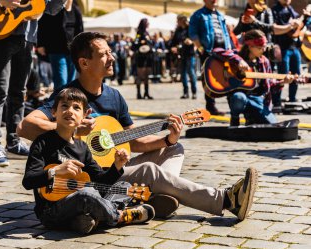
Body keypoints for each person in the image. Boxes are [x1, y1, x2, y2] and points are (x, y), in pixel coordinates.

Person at [17, 32, 258, 221]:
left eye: (112, 51)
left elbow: (133, 142)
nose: (113, 58)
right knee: (150, 171)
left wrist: (167, 139)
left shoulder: (115, 97)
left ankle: (156, 196)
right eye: (104, 54)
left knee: (176, 148)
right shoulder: (69, 98)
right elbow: (25, 127)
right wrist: (71, 130)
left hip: (113, 166)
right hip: (89, 177)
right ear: (84, 62)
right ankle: (225, 200)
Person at [22, 87, 155, 234]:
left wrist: (117, 165)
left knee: (123, 185)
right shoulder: (42, 142)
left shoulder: (82, 147)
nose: (70, 111)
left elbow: (101, 182)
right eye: (64, 106)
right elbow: (28, 181)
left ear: (85, 115)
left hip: (81, 204)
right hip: (50, 212)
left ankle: (88, 220)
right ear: (54, 112)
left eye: (76, 108)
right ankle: (120, 216)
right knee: (85, 194)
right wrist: (54, 171)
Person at [0, 0, 66, 167]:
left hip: (27, 37)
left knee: (19, 92)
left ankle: (13, 141)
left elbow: (50, 8)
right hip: (0, 31)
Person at [212, 30, 295, 126]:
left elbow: (270, 85)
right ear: (250, 46)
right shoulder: (237, 56)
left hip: (258, 100)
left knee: (272, 124)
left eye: (264, 47)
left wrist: (282, 82)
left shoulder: (264, 61)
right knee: (238, 97)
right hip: (240, 98)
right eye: (260, 48)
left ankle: (251, 118)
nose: (263, 50)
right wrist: (238, 60)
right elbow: (215, 51)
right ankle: (235, 118)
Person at [189, 0, 234, 115]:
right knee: (208, 79)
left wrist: (229, 48)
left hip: (224, 52)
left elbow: (225, 33)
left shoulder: (220, 15)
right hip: (208, 51)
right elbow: (193, 33)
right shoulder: (198, 15)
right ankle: (210, 106)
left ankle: (232, 104)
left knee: (227, 77)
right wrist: (201, 49)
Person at [37, 0, 83, 92]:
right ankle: (59, 103)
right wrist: (40, 44)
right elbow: (42, 25)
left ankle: (69, 102)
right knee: (61, 80)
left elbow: (80, 30)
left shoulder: (76, 10)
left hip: (73, 51)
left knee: (71, 81)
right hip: (55, 49)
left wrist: (81, 48)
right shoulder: (54, 7)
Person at [272, 0, 301, 107]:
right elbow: (275, 28)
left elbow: (298, 26)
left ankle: (292, 99)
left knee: (296, 75)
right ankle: (276, 102)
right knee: (282, 75)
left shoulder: (291, 9)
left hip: (294, 48)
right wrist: (291, 26)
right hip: (282, 47)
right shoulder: (274, 10)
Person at [171, 15, 197, 99]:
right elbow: (173, 42)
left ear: (183, 20)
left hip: (190, 53)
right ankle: (186, 93)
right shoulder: (178, 30)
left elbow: (195, 38)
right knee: (183, 74)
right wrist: (173, 47)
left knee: (191, 72)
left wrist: (191, 41)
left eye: (178, 20)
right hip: (182, 54)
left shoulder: (190, 28)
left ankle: (194, 92)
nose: (177, 22)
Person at [132, 18, 154, 99]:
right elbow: (135, 43)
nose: (148, 24)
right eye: (147, 22)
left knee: (147, 75)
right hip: (141, 56)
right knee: (140, 75)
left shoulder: (147, 33)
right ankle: (138, 93)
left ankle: (146, 93)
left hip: (148, 56)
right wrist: (140, 42)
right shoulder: (139, 33)